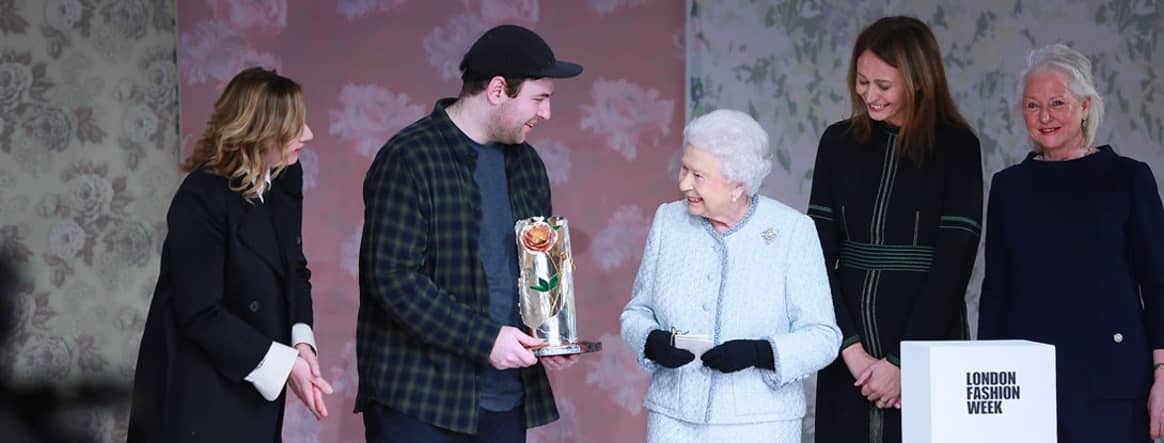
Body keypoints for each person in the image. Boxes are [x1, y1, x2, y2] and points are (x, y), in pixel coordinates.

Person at [357, 25, 582, 443]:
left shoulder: (528, 164)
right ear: (498, 89)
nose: (546, 113)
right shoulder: (409, 158)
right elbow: (392, 279)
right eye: (540, 98)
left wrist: (552, 335)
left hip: (504, 398)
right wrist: (486, 339)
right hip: (419, 400)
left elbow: (539, 261)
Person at [128, 67, 332, 443]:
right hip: (198, 392)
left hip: (253, 380)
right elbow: (201, 313)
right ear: (258, 132)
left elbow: (294, 268)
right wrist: (286, 367)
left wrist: (301, 341)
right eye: (295, 126)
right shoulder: (199, 198)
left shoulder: (285, 174)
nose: (308, 134)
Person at [808, 16, 983, 443]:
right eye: (862, 82)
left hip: (928, 344)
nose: (869, 94)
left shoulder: (958, 147)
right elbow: (813, 257)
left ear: (918, 81)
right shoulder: (836, 143)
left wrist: (903, 361)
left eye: (883, 86)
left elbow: (953, 266)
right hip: (846, 351)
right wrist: (849, 350)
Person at [978, 43, 1164, 443]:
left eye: (1057, 103)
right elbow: (996, 291)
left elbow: (1159, 282)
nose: (1044, 117)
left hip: (1113, 386)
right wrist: (988, 378)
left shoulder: (1128, 179)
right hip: (1026, 385)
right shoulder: (1008, 187)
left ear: (1085, 106)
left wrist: (1163, 375)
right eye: (1032, 106)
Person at [620, 109, 841, 443]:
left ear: (738, 185)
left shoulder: (792, 231)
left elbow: (824, 336)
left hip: (760, 424)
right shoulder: (669, 221)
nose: (684, 184)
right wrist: (650, 341)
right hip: (673, 420)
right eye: (684, 168)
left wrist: (762, 353)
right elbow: (636, 313)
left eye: (698, 175)